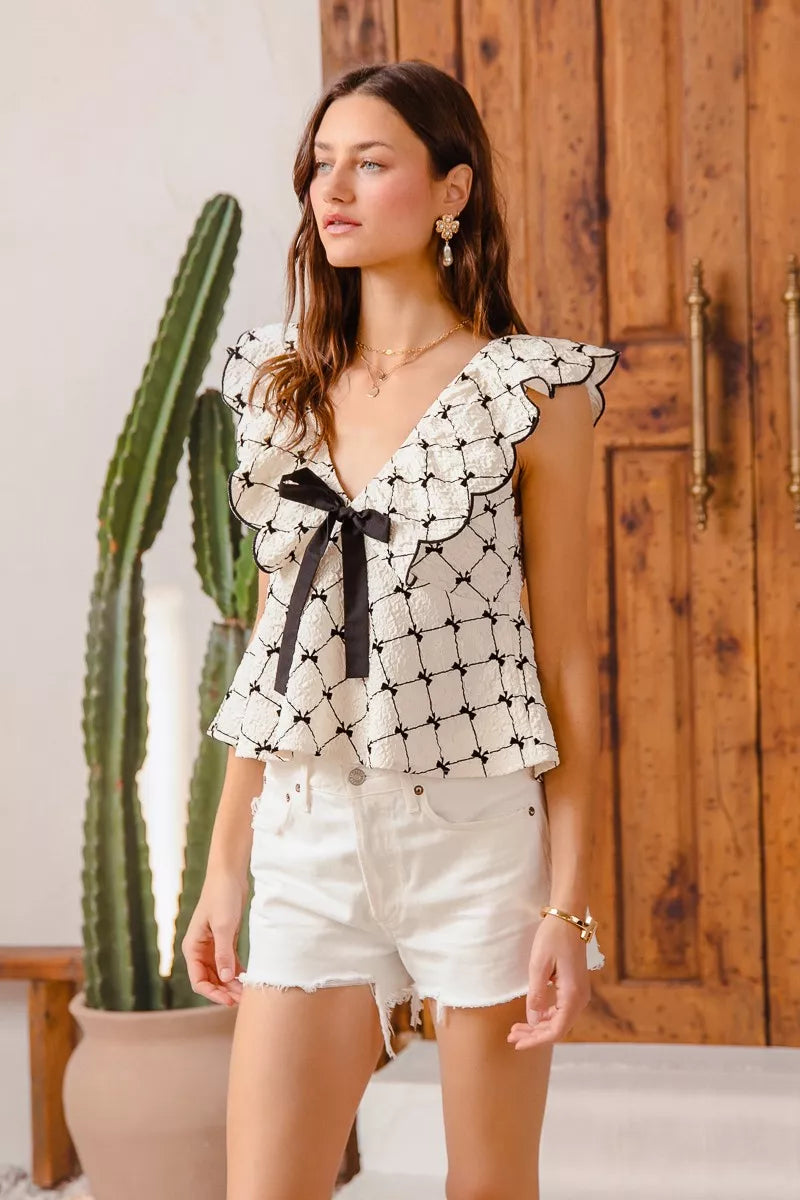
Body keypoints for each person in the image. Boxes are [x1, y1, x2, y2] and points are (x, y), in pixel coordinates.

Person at [183, 58, 619, 1200]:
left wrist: (565, 906)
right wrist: (225, 866)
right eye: (321, 165)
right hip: (310, 833)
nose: (332, 189)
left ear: (450, 191)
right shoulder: (281, 384)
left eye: (370, 163)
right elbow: (276, 646)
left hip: (474, 840)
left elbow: (565, 661)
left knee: (488, 1186)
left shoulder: (529, 394)